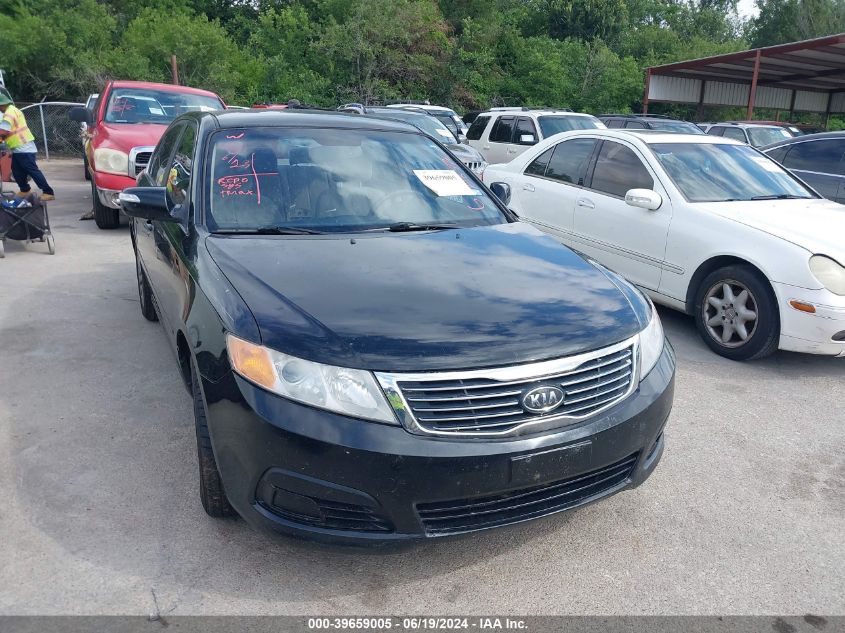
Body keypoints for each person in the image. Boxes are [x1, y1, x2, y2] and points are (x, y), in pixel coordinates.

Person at [0, 93, 55, 201]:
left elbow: (4, 131)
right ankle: (25, 190)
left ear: (1, 104)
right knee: (16, 170)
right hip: (19, 148)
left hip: (23, 147)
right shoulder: (12, 110)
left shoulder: (9, 113)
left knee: (32, 170)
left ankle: (48, 192)